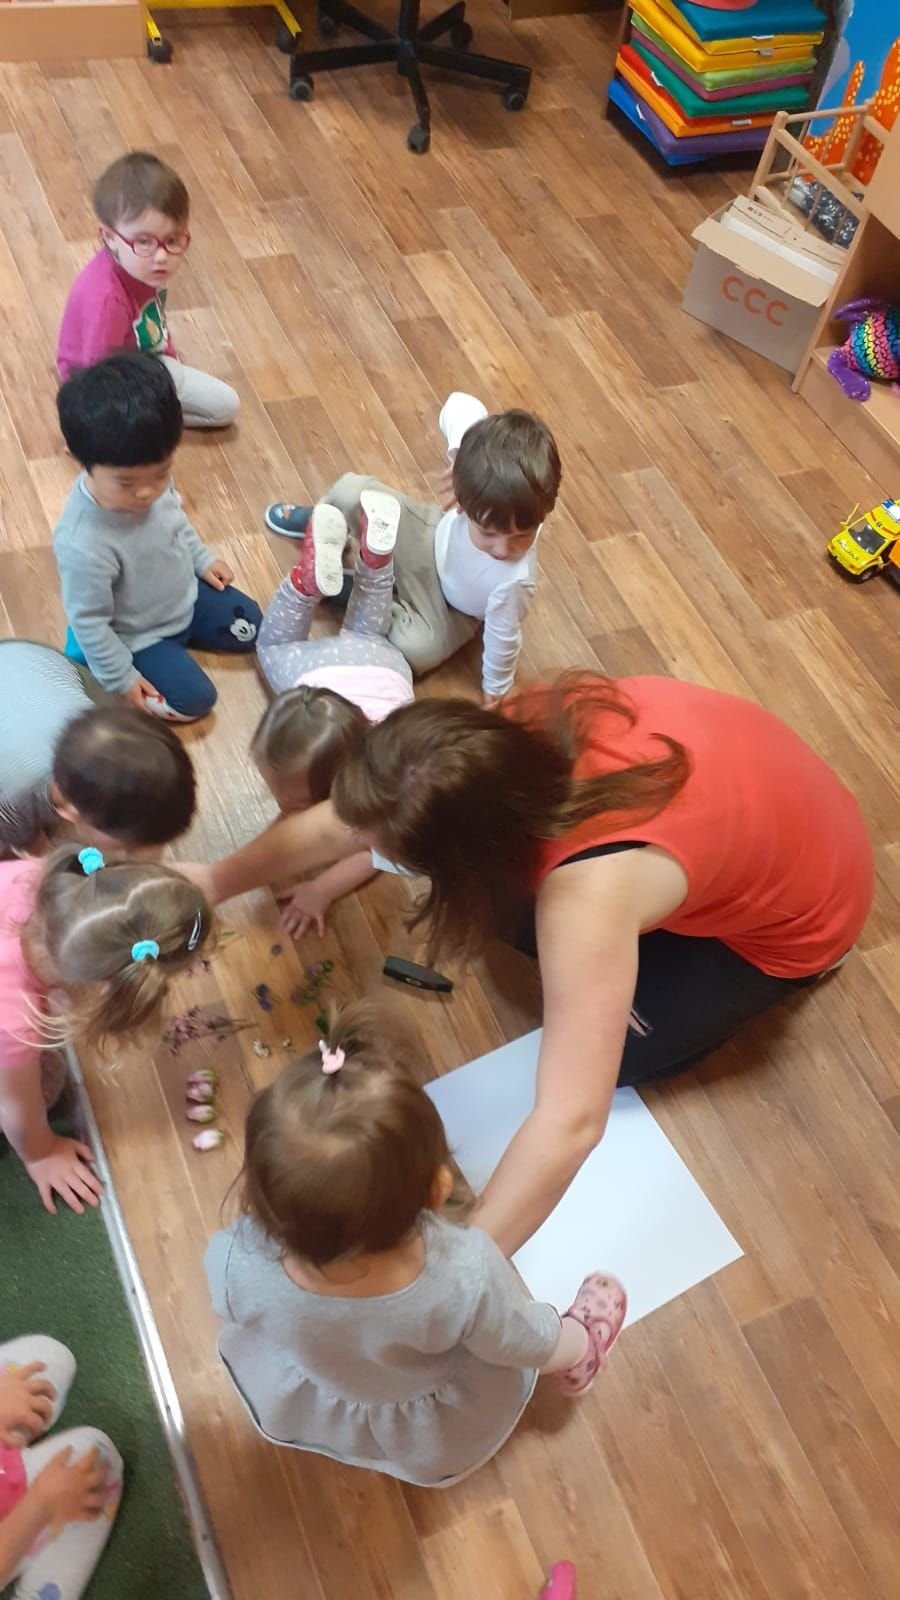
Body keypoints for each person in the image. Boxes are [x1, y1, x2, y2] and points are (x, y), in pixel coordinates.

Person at [185, 672, 874, 1256]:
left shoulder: (587, 895)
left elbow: (571, 1120)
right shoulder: (485, 742)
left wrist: (462, 1278)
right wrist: (214, 882)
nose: (355, 844)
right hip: (767, 794)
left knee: (618, 1060)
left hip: (799, 918)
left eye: (379, 846)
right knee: (520, 931)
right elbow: (345, 822)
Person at [204, 1004, 626, 1488]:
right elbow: (523, 1340)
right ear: (438, 1188)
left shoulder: (236, 1256)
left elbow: (227, 1302)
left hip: (323, 1395)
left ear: (256, 1191)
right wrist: (575, 1341)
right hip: (426, 1425)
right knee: (552, 1345)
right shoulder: (465, 1273)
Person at [264, 394, 561, 705]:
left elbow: (503, 636)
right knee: (350, 492)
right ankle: (326, 523)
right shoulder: (481, 469)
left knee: (415, 650)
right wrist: (460, 456)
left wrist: (497, 690)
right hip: (428, 536)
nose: (503, 549)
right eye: (487, 532)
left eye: (521, 535)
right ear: (463, 500)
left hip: (451, 609)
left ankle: (364, 588)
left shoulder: (514, 582)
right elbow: (460, 403)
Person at [0, 844, 213, 1215]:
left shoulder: (45, 877)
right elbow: (16, 1107)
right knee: (46, 1085)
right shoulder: (17, 1022)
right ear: (106, 989)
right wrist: (41, 1153)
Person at [53, 353, 262, 722]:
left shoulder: (150, 478)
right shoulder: (82, 542)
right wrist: (121, 678)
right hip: (139, 636)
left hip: (183, 597)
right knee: (196, 701)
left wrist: (201, 559)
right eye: (126, 483)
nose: (147, 492)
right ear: (78, 458)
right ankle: (113, 681)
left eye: (161, 473)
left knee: (253, 625)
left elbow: (176, 524)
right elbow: (90, 623)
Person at [254, 493, 414, 937]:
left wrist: (321, 889)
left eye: (291, 802)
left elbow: (372, 855)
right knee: (282, 646)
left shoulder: (372, 803)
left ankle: (373, 563)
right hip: (349, 670)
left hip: (387, 667)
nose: (282, 807)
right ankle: (308, 583)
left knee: (353, 632)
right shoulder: (383, 784)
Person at [57, 149, 238, 430]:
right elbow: (97, 378)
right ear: (109, 237)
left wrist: (167, 358)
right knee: (223, 407)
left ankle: (155, 413)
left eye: (173, 240)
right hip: (108, 381)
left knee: (225, 405)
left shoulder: (141, 266)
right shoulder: (106, 300)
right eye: (144, 241)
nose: (161, 256)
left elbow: (154, 323)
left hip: (141, 361)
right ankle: (152, 418)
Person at [0, 643, 196, 856]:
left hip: (36, 662)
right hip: (19, 659)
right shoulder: (14, 797)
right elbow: (32, 848)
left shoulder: (100, 724)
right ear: (71, 812)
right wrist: (47, 856)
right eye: (129, 845)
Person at [0, 1336, 121, 1600]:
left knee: (49, 1358)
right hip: (12, 1521)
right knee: (94, 1459)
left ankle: (20, 1429)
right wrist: (40, 1506)